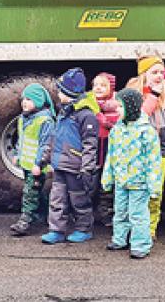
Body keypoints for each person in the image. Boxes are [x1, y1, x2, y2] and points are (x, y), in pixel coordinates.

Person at [40, 68, 99, 245]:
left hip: (76, 166)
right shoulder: (63, 112)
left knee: (79, 200)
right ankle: (56, 230)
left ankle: (84, 228)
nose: (58, 94)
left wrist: (87, 167)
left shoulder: (86, 116)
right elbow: (54, 137)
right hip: (59, 165)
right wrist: (45, 157)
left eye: (60, 90)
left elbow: (90, 145)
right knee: (57, 198)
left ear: (70, 93)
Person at [101, 88, 162, 259]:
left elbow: (153, 161)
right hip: (121, 180)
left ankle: (141, 244)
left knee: (138, 214)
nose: (117, 110)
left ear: (131, 107)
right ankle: (119, 239)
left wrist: (154, 185)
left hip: (139, 183)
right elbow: (111, 156)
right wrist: (108, 177)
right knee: (120, 210)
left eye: (120, 106)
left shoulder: (146, 131)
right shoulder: (116, 130)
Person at [130, 56, 165, 238]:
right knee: (139, 192)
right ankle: (137, 227)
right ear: (143, 74)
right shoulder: (135, 94)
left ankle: (150, 229)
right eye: (154, 72)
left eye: (161, 72)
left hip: (160, 151)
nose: (159, 76)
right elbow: (140, 116)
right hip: (140, 152)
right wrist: (153, 95)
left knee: (156, 193)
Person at [8, 83, 55, 236]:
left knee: (30, 192)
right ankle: (45, 215)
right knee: (37, 192)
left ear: (39, 101)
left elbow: (46, 145)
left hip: (37, 166)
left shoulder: (45, 121)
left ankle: (25, 220)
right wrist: (16, 154)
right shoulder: (23, 118)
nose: (24, 102)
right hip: (26, 165)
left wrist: (39, 164)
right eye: (23, 99)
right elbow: (20, 139)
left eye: (29, 99)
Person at [92, 72, 120, 225]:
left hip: (109, 149)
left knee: (108, 183)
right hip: (94, 148)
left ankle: (106, 212)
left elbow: (116, 126)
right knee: (90, 182)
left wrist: (104, 120)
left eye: (103, 85)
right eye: (95, 85)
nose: (98, 88)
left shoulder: (116, 107)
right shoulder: (89, 105)